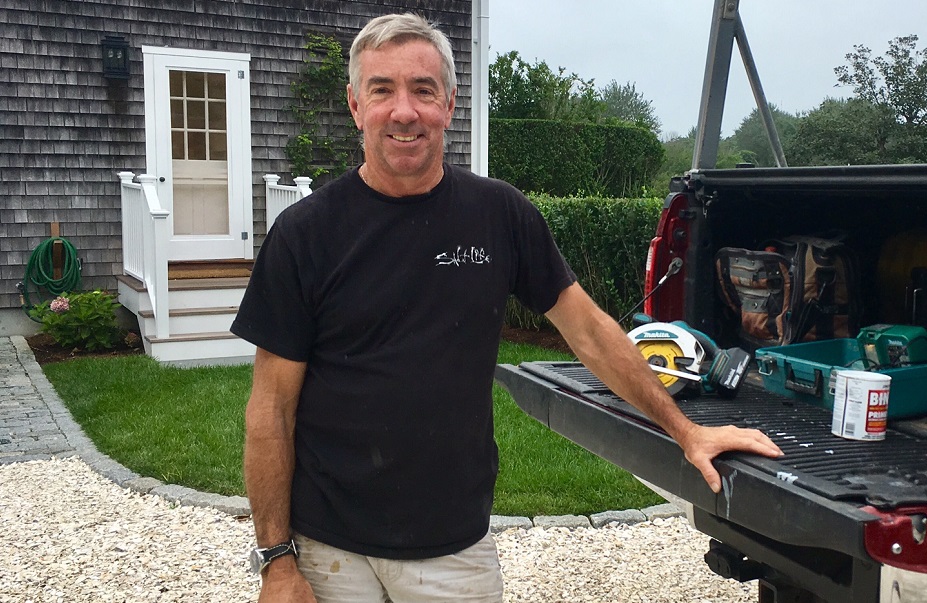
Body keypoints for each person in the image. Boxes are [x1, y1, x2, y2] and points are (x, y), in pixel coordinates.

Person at [234, 13, 783, 603]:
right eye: (382, 89)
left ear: (449, 103)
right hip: (327, 548)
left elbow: (591, 333)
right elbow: (271, 409)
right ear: (354, 104)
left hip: (452, 547)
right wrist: (276, 561)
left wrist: (685, 430)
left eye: (422, 90)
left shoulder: (499, 215)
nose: (404, 111)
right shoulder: (304, 234)